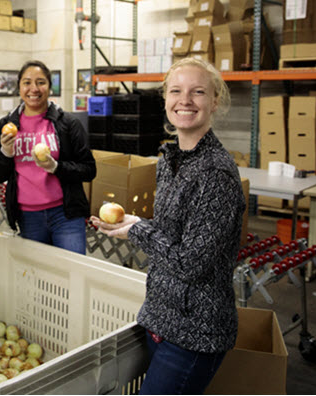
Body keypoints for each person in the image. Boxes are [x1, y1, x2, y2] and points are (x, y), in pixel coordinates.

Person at [90, 57, 246, 395]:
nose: (185, 100)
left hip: (194, 331)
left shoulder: (215, 174)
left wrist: (137, 230)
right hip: (161, 317)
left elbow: (191, 261)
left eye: (198, 92)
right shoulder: (170, 160)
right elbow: (171, 235)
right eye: (176, 91)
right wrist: (138, 223)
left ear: (214, 101)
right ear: (165, 99)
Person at [0, 60, 96, 254]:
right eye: (27, 82)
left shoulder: (68, 124)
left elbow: (89, 170)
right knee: (37, 277)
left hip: (66, 215)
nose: (34, 89)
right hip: (29, 217)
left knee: (72, 273)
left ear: (49, 87)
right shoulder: (6, 125)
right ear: (19, 87)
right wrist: (6, 152)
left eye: (41, 82)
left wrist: (56, 167)